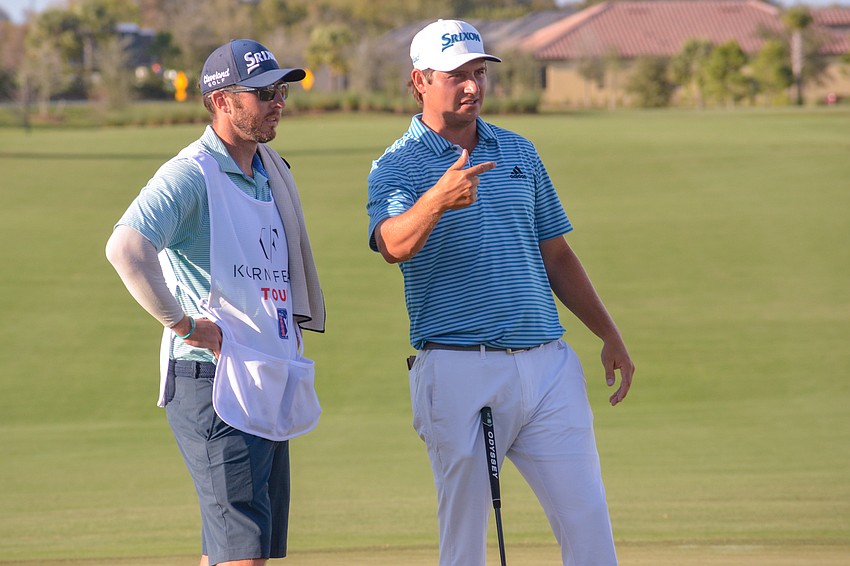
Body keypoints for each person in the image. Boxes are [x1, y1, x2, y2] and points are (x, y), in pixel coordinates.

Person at [366, 19, 634, 566]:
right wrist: (436, 200)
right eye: (456, 76)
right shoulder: (396, 165)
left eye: (479, 73)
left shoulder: (518, 151)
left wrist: (608, 333)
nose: (473, 86)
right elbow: (392, 244)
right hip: (459, 368)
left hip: (548, 367)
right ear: (420, 80)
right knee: (464, 542)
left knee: (589, 524)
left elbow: (555, 254)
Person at [106, 39, 325, 566]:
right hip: (211, 380)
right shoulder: (191, 173)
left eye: (282, 91)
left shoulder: (269, 170)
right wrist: (183, 325)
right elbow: (126, 248)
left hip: (261, 374)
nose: (278, 102)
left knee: (234, 548)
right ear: (223, 101)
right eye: (264, 93)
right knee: (243, 552)